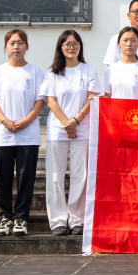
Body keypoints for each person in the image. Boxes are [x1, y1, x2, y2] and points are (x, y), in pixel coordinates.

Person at [0, 29, 46, 238]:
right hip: (3, 134)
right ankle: (5, 218)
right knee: (3, 178)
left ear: (27, 46)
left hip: (28, 135)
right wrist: (5, 121)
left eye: (20, 43)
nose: (16, 47)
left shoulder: (35, 72)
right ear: (6, 47)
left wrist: (26, 121)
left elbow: (41, 101)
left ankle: (21, 219)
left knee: (26, 178)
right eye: (12, 43)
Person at [41, 29, 101, 237]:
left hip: (83, 131)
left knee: (80, 176)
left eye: (75, 43)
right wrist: (67, 123)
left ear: (80, 47)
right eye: (67, 44)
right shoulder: (53, 73)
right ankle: (57, 220)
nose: (71, 47)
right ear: (60, 47)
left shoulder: (88, 71)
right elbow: (51, 101)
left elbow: (92, 99)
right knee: (56, 176)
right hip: (58, 131)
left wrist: (75, 121)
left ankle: (77, 220)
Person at [102, 27, 138, 99]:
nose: (129, 44)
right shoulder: (110, 70)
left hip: (137, 110)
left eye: (133, 41)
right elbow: (107, 97)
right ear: (119, 43)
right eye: (125, 40)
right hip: (116, 110)